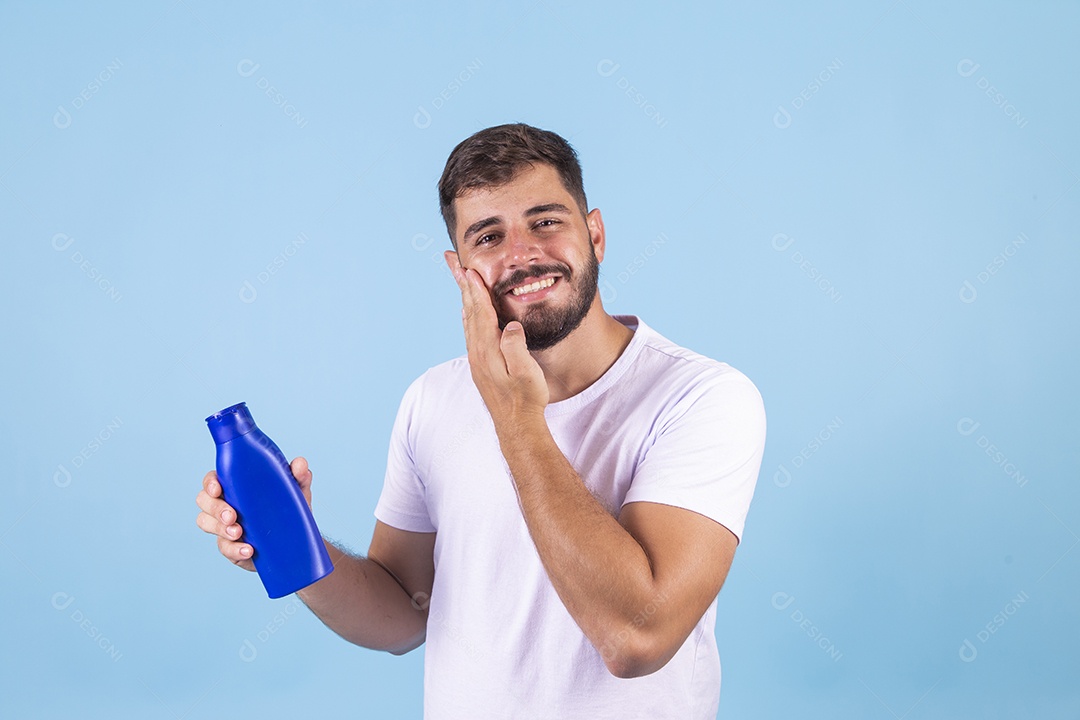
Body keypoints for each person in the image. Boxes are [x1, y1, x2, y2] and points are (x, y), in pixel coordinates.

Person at [196, 123, 766, 718]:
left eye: (546, 221)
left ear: (595, 234)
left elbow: (636, 639)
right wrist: (297, 548)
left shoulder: (702, 398)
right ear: (457, 267)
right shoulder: (432, 398)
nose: (521, 254)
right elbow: (403, 616)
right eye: (489, 236)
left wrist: (516, 419)